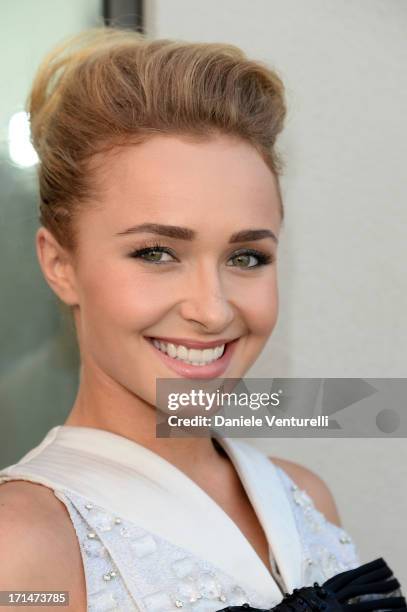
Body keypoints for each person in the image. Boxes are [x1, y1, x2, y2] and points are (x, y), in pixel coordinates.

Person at [0, 28, 361, 611]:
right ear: (60, 264)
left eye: (246, 257)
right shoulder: (21, 550)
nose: (212, 309)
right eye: (156, 254)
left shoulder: (306, 500)